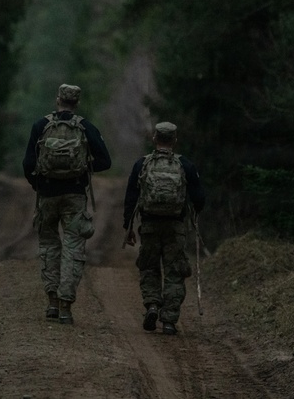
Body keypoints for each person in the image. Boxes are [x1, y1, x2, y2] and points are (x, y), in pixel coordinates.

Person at [23, 83, 112, 325]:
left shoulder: (41, 126)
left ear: (57, 99)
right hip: (74, 195)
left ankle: (51, 301)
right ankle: (65, 306)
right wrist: (83, 168)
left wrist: (39, 185)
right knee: (73, 248)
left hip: (48, 195)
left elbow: (28, 164)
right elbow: (105, 161)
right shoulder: (85, 127)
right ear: (77, 103)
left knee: (50, 246)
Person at [122, 121, 206, 335]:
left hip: (149, 226)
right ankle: (168, 320)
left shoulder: (141, 164)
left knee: (149, 267)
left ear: (154, 138)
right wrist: (193, 213)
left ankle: (151, 304)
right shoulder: (185, 165)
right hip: (175, 227)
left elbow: (131, 198)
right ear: (174, 141)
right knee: (174, 272)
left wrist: (128, 227)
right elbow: (199, 198)